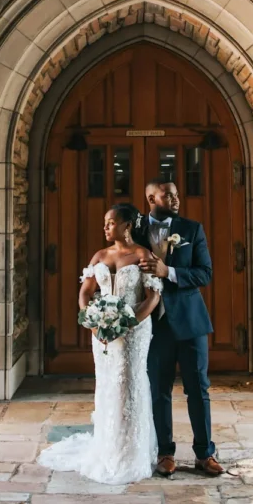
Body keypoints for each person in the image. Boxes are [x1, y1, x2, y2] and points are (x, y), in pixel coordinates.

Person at [38, 201, 161, 484]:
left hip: (134, 331)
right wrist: (93, 323)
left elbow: (153, 296)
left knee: (129, 385)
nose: (105, 227)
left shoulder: (143, 255)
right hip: (102, 333)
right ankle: (108, 449)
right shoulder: (100, 256)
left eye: (110, 222)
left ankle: (131, 453)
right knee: (108, 385)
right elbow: (85, 293)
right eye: (105, 223)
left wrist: (127, 323)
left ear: (127, 225)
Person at [135, 180, 223, 477]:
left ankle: (204, 454)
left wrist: (168, 271)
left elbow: (205, 273)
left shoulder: (191, 229)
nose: (175, 199)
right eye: (167, 195)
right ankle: (164, 453)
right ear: (151, 198)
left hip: (190, 322)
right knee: (159, 391)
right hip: (152, 325)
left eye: (176, 194)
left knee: (198, 389)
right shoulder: (134, 230)